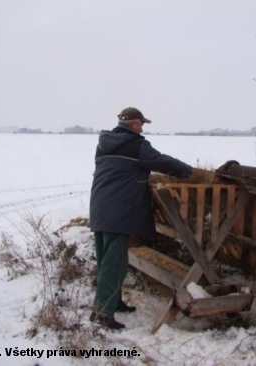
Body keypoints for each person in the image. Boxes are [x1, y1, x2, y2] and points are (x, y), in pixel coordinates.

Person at [89, 107, 193, 329]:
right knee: (114, 261)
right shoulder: (137, 145)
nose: (143, 128)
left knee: (106, 258)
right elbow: (162, 162)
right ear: (134, 124)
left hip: (100, 205)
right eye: (141, 124)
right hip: (118, 209)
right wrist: (189, 172)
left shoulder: (103, 144)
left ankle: (112, 302)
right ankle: (101, 314)